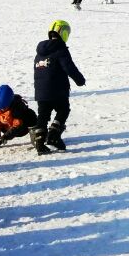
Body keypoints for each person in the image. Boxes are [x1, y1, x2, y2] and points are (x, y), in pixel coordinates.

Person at [32, 20, 85, 155]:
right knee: (63, 110)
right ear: (64, 33)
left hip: (41, 91)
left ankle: (39, 141)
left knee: (43, 115)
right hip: (57, 89)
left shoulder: (40, 51)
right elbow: (69, 67)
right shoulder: (60, 49)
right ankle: (54, 135)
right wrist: (79, 80)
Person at [0, 85, 38, 150]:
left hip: (19, 130)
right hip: (6, 128)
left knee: (30, 114)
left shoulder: (17, 109)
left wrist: (5, 137)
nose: (0, 110)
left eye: (3, 108)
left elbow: (17, 126)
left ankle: (37, 136)